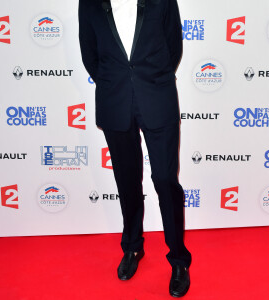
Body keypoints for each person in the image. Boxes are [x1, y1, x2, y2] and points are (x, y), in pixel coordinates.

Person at [78, 0, 192, 297]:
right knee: (127, 181)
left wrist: (153, 79)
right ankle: (132, 248)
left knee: (166, 180)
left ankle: (179, 259)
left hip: (157, 97)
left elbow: (173, 45)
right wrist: (117, 82)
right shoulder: (89, 3)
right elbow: (89, 53)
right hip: (114, 101)